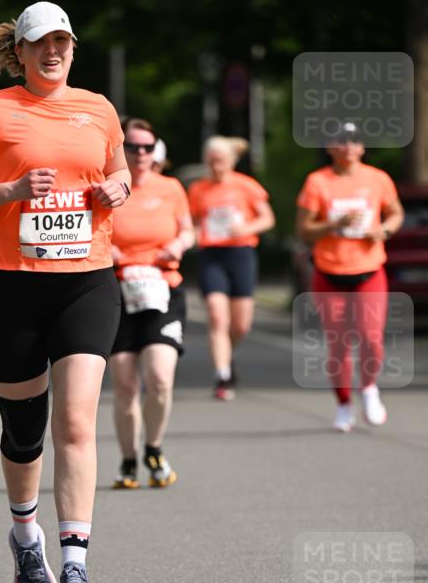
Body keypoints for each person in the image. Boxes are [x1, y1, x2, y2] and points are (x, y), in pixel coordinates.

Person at [0, 1, 131, 583]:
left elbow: (122, 170)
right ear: (18, 52)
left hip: (86, 282)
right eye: (40, 44)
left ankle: (75, 566)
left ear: (74, 48)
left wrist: (117, 189)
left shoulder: (98, 109)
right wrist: (13, 190)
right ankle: (27, 536)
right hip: (9, 289)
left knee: (76, 422)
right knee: (24, 434)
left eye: (63, 42)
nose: (54, 52)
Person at [295, 122, 404, 432]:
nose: (347, 146)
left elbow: (396, 213)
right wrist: (334, 223)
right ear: (330, 147)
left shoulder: (377, 179)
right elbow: (303, 230)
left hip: (369, 270)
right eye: (339, 140)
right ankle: (343, 405)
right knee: (339, 345)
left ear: (362, 146)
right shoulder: (318, 182)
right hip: (330, 273)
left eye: (353, 140)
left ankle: (369, 387)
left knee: (371, 338)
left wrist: (383, 230)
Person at [109, 118, 194, 489]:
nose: (140, 154)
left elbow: (189, 229)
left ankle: (153, 447)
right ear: (120, 150)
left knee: (159, 377)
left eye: (147, 147)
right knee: (125, 383)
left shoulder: (171, 188)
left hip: (163, 289)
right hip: (118, 291)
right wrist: (107, 249)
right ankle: (128, 459)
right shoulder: (107, 188)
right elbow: (88, 228)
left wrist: (179, 244)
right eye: (132, 147)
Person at [188, 136, 275, 400]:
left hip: (241, 254)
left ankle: (228, 355)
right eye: (212, 161)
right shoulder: (198, 189)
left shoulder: (246, 186)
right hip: (211, 255)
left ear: (232, 162)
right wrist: (189, 237)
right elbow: (191, 222)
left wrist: (246, 228)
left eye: (221, 161)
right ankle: (222, 375)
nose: (216, 167)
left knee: (241, 325)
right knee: (216, 316)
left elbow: (267, 218)